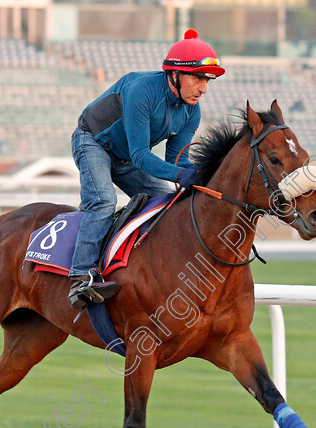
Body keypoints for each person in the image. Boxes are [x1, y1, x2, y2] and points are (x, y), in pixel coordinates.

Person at [67, 29, 225, 309]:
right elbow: (142, 155)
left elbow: (177, 160)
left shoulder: (192, 110)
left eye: (207, 81)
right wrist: (180, 175)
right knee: (104, 201)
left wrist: (202, 177)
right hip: (92, 143)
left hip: (125, 158)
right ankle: (80, 277)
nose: (203, 88)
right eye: (197, 78)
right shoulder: (141, 90)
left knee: (165, 202)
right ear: (174, 74)